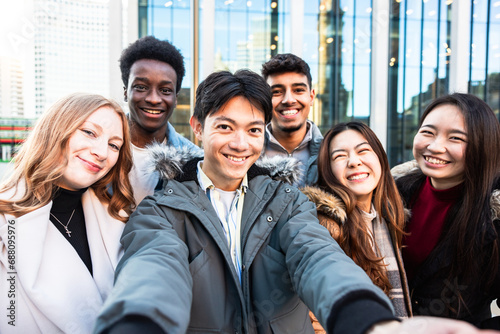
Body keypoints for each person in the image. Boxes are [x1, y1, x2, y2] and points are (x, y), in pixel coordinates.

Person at [94, 71, 489, 334]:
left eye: (252, 130)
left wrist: (370, 321)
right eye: (224, 127)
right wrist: (136, 323)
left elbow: (317, 257)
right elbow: (153, 270)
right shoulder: (161, 209)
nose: (240, 143)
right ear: (197, 127)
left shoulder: (287, 201)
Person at [0, 93, 134, 333]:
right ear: (55, 129)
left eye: (114, 145)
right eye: (90, 132)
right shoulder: (5, 219)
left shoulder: (120, 218)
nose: (102, 152)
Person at [392, 93, 500, 329]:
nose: (435, 146)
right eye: (428, 132)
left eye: (455, 138)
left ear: (483, 146)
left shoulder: (495, 213)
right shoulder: (393, 193)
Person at [302, 122, 411, 333]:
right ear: (327, 170)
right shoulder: (324, 227)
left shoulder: (390, 218)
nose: (354, 162)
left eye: (363, 151)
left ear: (380, 158)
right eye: (340, 156)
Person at [119, 35, 199, 204]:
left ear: (176, 98)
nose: (154, 99)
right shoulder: (98, 150)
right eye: (141, 87)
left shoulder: (194, 161)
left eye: (165, 90)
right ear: (126, 92)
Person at [261, 53, 323, 187]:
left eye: (298, 90)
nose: (288, 100)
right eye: (276, 92)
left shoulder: (329, 153)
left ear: (311, 97)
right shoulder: (248, 152)